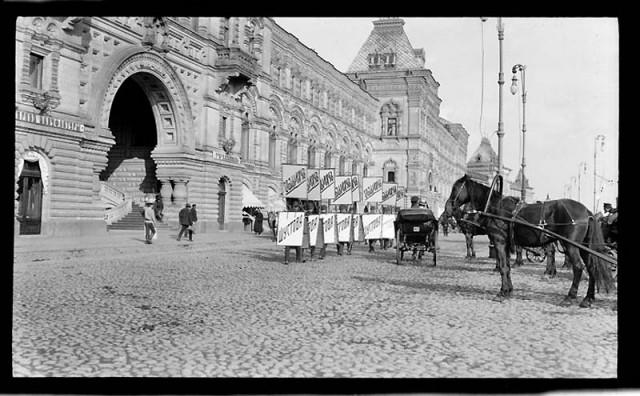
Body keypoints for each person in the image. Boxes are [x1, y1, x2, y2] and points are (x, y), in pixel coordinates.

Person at [283, 200, 306, 264]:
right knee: (288, 246)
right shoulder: (290, 212)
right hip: (290, 230)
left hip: (298, 231)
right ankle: (286, 259)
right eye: (294, 204)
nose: (295, 205)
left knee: (298, 246)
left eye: (296, 204)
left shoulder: (301, 212)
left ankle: (298, 258)